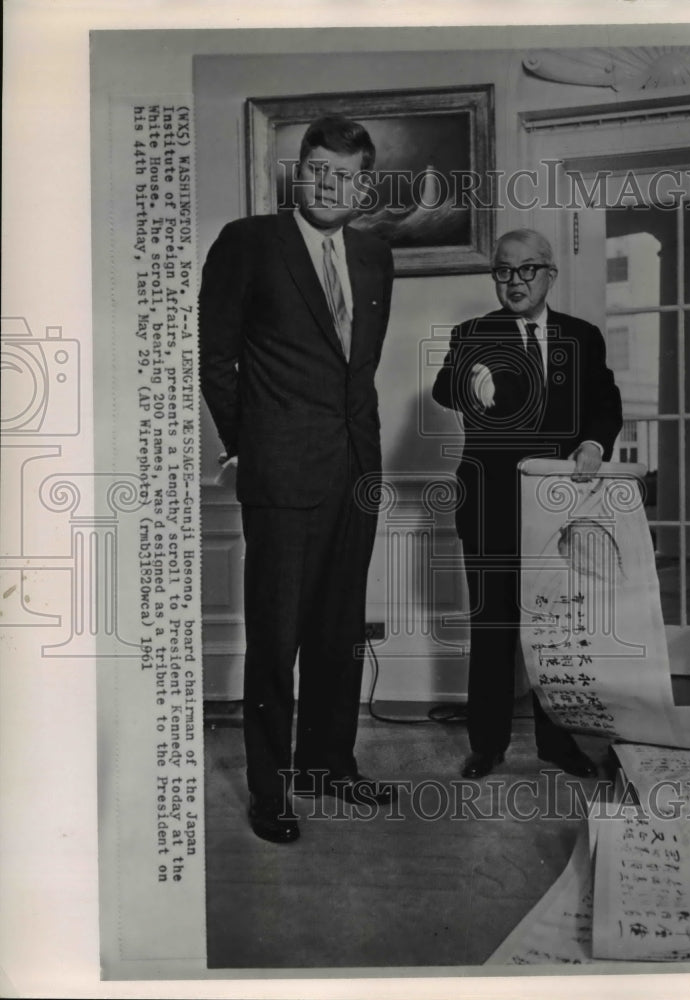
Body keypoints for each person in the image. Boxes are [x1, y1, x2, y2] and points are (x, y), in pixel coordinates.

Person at [200, 116, 396, 843]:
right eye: (317, 168)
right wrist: (245, 446)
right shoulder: (248, 243)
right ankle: (270, 787)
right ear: (299, 171)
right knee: (275, 637)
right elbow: (215, 356)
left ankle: (327, 764)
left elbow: (357, 371)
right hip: (280, 469)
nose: (329, 184)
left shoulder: (376, 256)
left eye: (345, 175)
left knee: (339, 632)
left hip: (356, 470)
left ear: (364, 185)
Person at [432, 228, 622, 780]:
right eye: (502, 271)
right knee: (491, 629)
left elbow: (604, 402)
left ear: (549, 275)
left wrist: (592, 442)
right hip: (489, 506)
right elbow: (446, 390)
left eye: (527, 270)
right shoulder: (473, 334)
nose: (514, 282)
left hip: (557, 510)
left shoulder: (582, 337)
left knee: (555, 630)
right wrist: (474, 378)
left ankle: (557, 745)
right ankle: (486, 744)